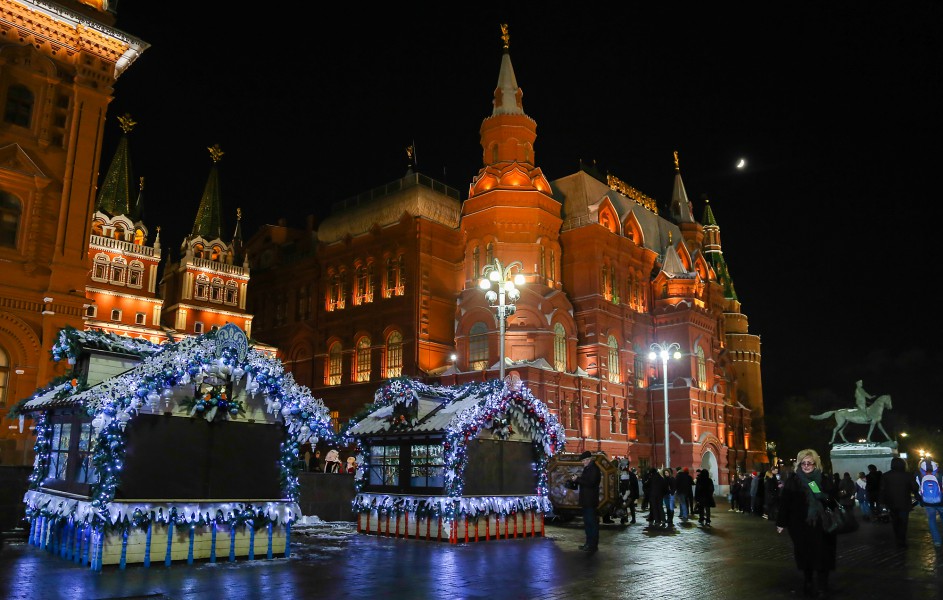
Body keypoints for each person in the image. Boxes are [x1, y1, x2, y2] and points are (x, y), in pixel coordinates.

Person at [775, 449, 837, 598]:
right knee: (805, 553)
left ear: (816, 464)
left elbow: (832, 501)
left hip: (822, 524)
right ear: (799, 464)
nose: (807, 466)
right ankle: (808, 580)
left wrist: (820, 494)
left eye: (810, 463)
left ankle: (822, 584)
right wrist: (781, 522)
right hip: (800, 525)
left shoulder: (823, 479)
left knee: (823, 554)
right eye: (804, 463)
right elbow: (785, 503)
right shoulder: (793, 480)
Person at [880, 456, 917, 548]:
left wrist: (882, 502)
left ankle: (897, 539)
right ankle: (902, 540)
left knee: (895, 522)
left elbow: (882, 490)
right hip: (904, 503)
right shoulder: (907, 475)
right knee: (903, 523)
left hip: (891, 503)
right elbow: (915, 488)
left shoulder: (885, 475)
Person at [571, 450, 601, 552]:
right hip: (587, 500)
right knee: (588, 523)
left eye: (584, 460)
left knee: (591, 523)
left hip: (590, 501)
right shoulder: (588, 468)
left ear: (589, 459)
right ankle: (588, 544)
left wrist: (578, 479)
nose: (583, 462)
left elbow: (591, 483)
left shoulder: (593, 469)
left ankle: (592, 545)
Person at [915, 457, 943, 551]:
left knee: (932, 521)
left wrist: (921, 501)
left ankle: (937, 541)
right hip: (941, 501)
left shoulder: (919, 475)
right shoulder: (940, 473)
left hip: (928, 502)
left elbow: (918, 490)